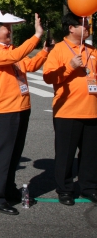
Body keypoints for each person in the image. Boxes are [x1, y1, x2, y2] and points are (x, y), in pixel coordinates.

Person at [0, 9, 49, 215]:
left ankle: (8, 189)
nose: (10, 31)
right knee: (1, 155)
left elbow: (28, 64)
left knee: (14, 154)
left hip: (21, 107)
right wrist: (36, 36)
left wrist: (46, 51)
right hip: (3, 110)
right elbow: (16, 55)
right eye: (7, 28)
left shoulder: (10, 50)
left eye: (10, 28)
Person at [43, 12, 97, 206]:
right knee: (65, 154)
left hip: (92, 110)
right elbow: (49, 77)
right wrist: (70, 66)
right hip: (67, 111)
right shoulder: (59, 50)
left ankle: (88, 187)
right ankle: (65, 189)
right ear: (71, 28)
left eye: (88, 24)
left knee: (91, 154)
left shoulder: (92, 50)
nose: (87, 27)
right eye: (82, 24)